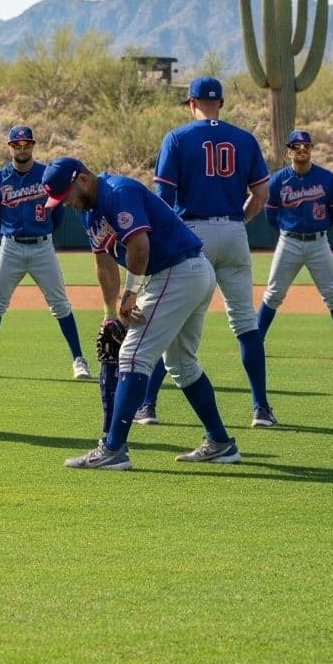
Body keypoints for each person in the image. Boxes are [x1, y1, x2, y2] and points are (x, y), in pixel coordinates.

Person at [43, 156, 240, 470]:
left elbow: (139, 247)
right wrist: (111, 313)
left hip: (176, 272)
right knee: (180, 363)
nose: (64, 204)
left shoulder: (117, 192)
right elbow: (104, 262)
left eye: (65, 196)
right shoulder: (88, 211)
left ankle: (113, 449)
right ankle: (220, 442)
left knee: (133, 356)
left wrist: (130, 295)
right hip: (182, 274)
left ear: (81, 179)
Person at [138, 76, 276, 429]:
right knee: (245, 323)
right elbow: (261, 194)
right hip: (232, 232)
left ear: (190, 103)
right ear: (222, 104)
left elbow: (164, 200)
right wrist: (238, 222)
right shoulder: (244, 138)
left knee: (169, 321)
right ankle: (261, 409)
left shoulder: (178, 137)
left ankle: (147, 406)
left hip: (192, 233)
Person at [0, 125, 91, 381]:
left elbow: (58, 214)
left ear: (33, 145)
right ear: (9, 147)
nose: (22, 149)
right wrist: (7, 234)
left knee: (59, 304)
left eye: (26, 144)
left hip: (42, 246)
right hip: (10, 246)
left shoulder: (46, 174)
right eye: (17, 145)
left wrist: (44, 231)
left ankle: (79, 360)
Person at [258, 130, 333, 359]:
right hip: (289, 242)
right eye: (296, 146)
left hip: (318, 242)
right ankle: (256, 342)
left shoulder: (326, 178)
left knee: (332, 294)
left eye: (306, 146)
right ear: (289, 151)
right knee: (274, 293)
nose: (302, 150)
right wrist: (288, 230)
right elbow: (271, 214)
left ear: (311, 149)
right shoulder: (278, 180)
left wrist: (319, 227)